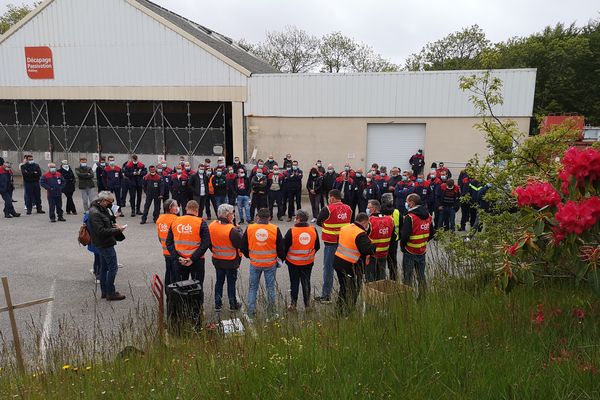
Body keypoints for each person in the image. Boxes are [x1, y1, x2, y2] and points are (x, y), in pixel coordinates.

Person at [240, 207, 285, 318]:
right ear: (269, 218)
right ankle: (272, 313)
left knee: (253, 288)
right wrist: (280, 259)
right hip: (270, 264)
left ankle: (250, 313)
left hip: (255, 263)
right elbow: (281, 248)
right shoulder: (275, 229)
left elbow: (243, 246)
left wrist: (249, 256)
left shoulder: (250, 228)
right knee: (270, 288)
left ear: (257, 217)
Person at [88, 191, 127, 301]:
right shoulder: (95, 212)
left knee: (104, 268)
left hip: (104, 243)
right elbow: (101, 231)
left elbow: (104, 220)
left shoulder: (100, 208)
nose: (111, 204)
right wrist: (117, 230)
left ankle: (105, 292)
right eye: (110, 202)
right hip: (104, 244)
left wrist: (112, 218)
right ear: (104, 201)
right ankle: (111, 292)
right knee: (113, 268)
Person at [333, 213, 375, 315]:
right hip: (351, 266)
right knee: (353, 290)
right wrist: (374, 245)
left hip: (338, 262)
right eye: (367, 224)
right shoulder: (360, 234)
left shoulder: (345, 228)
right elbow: (367, 250)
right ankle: (348, 311)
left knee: (343, 287)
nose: (367, 226)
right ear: (364, 222)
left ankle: (339, 310)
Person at [166, 200, 211, 294]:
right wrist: (192, 259)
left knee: (180, 287)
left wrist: (178, 258)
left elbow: (169, 243)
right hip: (197, 260)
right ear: (197, 210)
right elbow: (206, 243)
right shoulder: (201, 222)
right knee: (197, 287)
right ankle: (197, 307)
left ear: (186, 209)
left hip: (180, 261)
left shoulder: (176, 221)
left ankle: (182, 307)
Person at [315, 189, 352, 303]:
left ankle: (326, 296)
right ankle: (347, 294)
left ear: (332, 198)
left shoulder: (327, 209)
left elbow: (318, 221)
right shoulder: (348, 208)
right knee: (344, 270)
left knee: (328, 269)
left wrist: (329, 227)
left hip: (331, 243)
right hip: (344, 243)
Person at [209, 203, 243, 311]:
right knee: (231, 283)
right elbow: (240, 243)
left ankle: (217, 304)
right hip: (231, 261)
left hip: (217, 259)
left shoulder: (212, 225)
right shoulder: (231, 230)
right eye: (232, 213)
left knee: (219, 282)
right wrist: (239, 229)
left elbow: (209, 243)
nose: (233, 215)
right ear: (228, 215)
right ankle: (233, 304)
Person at [284, 210, 320, 312]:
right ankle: (307, 305)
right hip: (308, 262)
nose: (295, 219)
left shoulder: (291, 231)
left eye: (296, 217)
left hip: (292, 263)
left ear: (299, 219)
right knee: (306, 282)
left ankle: (293, 305)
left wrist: (285, 258)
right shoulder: (313, 230)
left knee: (294, 283)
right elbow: (317, 246)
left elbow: (284, 247)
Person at [400, 193, 435, 297]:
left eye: (407, 201)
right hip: (422, 250)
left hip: (409, 251)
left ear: (411, 203)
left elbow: (404, 235)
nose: (406, 203)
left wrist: (402, 246)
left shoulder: (410, 217)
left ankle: (407, 298)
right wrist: (423, 242)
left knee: (408, 277)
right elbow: (432, 233)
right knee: (421, 276)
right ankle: (423, 297)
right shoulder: (428, 216)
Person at [366, 200, 394, 282]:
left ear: (374, 209)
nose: (367, 209)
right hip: (384, 253)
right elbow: (393, 236)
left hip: (372, 255)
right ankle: (381, 294)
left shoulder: (369, 221)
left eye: (369, 208)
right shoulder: (390, 219)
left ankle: (371, 294)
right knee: (381, 278)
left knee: (370, 279)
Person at [156, 199, 179, 289]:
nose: (177, 207)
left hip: (165, 251)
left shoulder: (159, 219)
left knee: (168, 272)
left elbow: (159, 236)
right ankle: (174, 295)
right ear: (171, 208)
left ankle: (168, 293)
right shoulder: (176, 219)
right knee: (175, 275)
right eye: (176, 206)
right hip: (174, 251)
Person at [381, 193, 400, 280]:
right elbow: (401, 226)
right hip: (394, 240)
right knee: (393, 262)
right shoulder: (396, 212)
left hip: (382, 240)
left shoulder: (380, 212)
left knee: (381, 262)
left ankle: (382, 280)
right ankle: (394, 279)